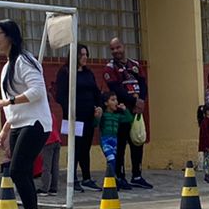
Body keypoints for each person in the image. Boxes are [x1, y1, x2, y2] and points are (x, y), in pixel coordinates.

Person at [0, 19, 52, 209]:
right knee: (21, 173)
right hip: (18, 124)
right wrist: (5, 129)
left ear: (10, 36)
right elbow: (17, 105)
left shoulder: (25, 60)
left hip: (35, 123)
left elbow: (37, 91)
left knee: (17, 171)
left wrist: (6, 103)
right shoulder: (8, 66)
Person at [101, 37, 150, 189]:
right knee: (120, 145)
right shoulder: (109, 68)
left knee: (137, 141)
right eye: (112, 49)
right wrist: (133, 101)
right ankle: (120, 176)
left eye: (118, 47)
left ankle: (137, 175)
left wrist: (141, 101)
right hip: (122, 112)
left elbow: (143, 84)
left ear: (124, 46)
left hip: (137, 112)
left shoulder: (135, 64)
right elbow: (116, 89)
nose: (116, 51)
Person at [54, 44, 102, 192]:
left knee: (85, 147)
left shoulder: (88, 73)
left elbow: (96, 91)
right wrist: (71, 110)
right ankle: (72, 178)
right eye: (81, 54)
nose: (84, 57)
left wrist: (99, 106)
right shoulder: (65, 72)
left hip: (88, 115)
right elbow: (60, 95)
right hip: (74, 116)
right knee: (75, 147)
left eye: (86, 54)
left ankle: (86, 177)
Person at [98, 92, 126, 172]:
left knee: (114, 161)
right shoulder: (104, 115)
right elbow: (95, 123)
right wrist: (97, 117)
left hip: (115, 140)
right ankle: (110, 179)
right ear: (106, 103)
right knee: (111, 159)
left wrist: (125, 110)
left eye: (116, 100)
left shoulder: (118, 116)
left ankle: (112, 178)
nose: (116, 102)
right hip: (105, 140)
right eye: (113, 100)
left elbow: (128, 119)